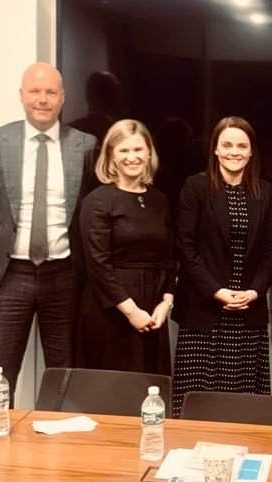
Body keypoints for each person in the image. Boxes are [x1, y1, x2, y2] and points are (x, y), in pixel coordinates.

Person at [0, 63, 97, 402]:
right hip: (9, 273)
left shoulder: (84, 145)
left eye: (51, 92)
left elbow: (90, 209)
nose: (43, 99)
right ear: (22, 95)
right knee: (0, 371)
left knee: (64, 372)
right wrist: (1, 237)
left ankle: (58, 447)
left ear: (63, 97)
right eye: (35, 91)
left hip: (64, 275)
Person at [172, 116, 272, 417]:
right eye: (227, 144)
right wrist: (216, 291)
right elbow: (186, 247)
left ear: (251, 151)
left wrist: (256, 292)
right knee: (198, 405)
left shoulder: (265, 191)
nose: (235, 151)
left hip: (247, 312)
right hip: (204, 313)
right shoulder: (195, 187)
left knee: (242, 408)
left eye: (242, 145)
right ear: (215, 150)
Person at [78, 119, 174, 374]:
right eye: (123, 150)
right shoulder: (97, 201)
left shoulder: (159, 199)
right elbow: (98, 264)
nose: (132, 157)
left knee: (152, 392)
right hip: (111, 310)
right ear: (111, 156)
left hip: (153, 309)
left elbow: (168, 256)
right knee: (113, 395)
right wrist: (130, 311)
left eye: (138, 149)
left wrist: (166, 303)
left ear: (149, 153)